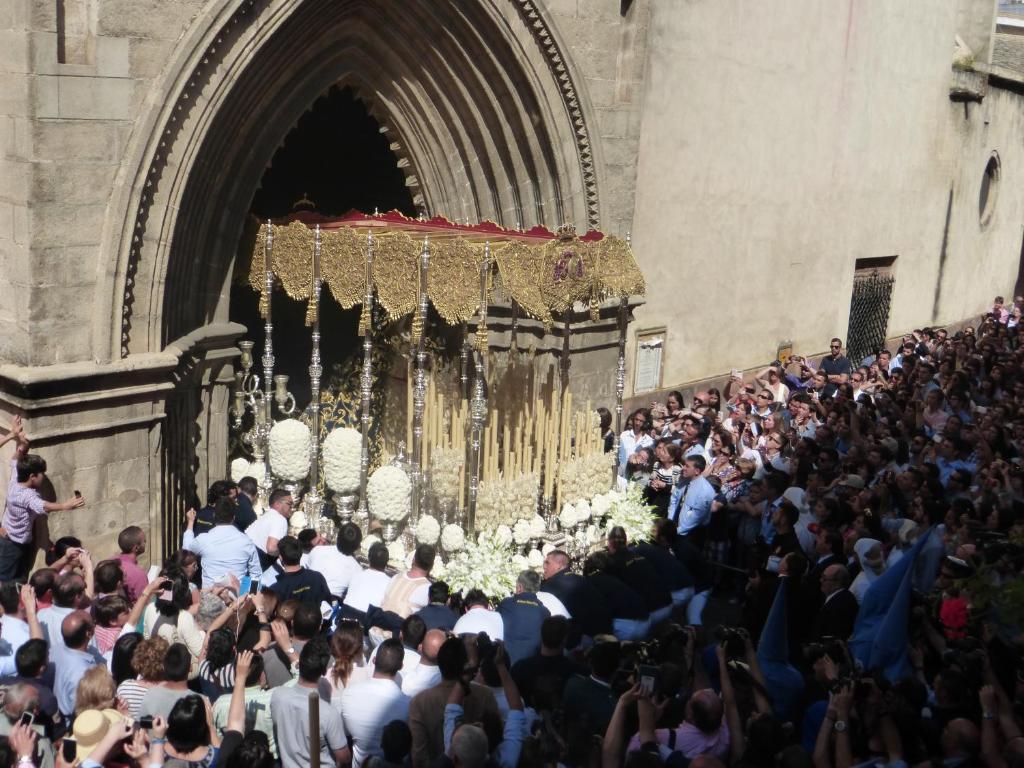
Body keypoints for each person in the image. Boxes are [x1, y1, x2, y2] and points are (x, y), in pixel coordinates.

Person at [0, 417, 84, 580]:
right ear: (32, 476)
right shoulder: (26, 496)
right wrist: (65, 506)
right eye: (41, 475)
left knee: (17, 578)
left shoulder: (17, 476)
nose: (43, 478)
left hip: (17, 541)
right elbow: (43, 506)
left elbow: (19, 455)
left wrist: (21, 440)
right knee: (4, 580)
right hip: (12, 545)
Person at [408, 636, 499, 768]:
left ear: (439, 663)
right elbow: (495, 743)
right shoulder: (486, 695)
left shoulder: (419, 703)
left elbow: (419, 758)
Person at [271, 636, 351, 768]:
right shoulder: (328, 713)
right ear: (324, 671)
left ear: (300, 663)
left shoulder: (278, 695)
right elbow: (344, 757)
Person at [340, 638, 411, 767]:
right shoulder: (408, 705)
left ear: (374, 661)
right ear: (400, 666)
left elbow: (345, 735)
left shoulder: (348, 694)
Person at [182, 499, 262, 588]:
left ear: (214, 515)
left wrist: (190, 522)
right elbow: (256, 575)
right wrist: (250, 596)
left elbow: (186, 550)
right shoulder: (246, 541)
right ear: (234, 518)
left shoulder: (204, 539)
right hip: (237, 598)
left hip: (210, 598)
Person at [262, 535, 332, 611]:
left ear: (281, 557)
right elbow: (329, 603)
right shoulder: (317, 577)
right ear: (301, 554)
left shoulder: (276, 589)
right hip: (317, 620)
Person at [54, 610, 103, 718]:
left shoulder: (53, 651)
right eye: (93, 624)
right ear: (88, 634)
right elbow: (84, 713)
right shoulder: (84, 674)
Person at [496, 571, 550, 665]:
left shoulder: (506, 604)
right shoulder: (544, 612)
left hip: (506, 663)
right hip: (532, 665)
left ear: (520, 587)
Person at [306, 522, 364, 599]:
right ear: (357, 546)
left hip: (307, 597)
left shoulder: (317, 550)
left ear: (338, 537)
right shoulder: (357, 570)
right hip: (330, 605)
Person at [668, 455, 716, 541]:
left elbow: (696, 518)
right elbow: (674, 500)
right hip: (674, 527)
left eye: (687, 466)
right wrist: (669, 522)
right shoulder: (684, 481)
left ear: (697, 471)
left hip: (690, 535)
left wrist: (676, 531)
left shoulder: (706, 491)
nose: (683, 468)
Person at [245, 488, 295, 569]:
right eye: (289, 504)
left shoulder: (266, 516)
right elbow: (272, 548)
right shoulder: (280, 519)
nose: (292, 507)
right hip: (258, 564)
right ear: (277, 503)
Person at [342, 542, 392, 622]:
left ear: (368, 558)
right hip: (366, 623)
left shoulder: (356, 574)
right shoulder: (391, 583)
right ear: (387, 561)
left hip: (345, 616)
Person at [114, 525, 150, 604]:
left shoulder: (110, 561)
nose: (146, 542)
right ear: (136, 548)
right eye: (144, 541)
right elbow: (143, 604)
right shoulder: (138, 575)